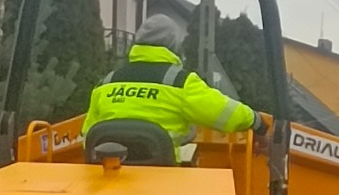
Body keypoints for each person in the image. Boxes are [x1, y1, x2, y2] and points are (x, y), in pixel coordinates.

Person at [82, 16, 267, 163]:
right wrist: (256, 121)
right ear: (174, 45)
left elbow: (88, 134)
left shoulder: (105, 83)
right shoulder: (180, 83)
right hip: (163, 183)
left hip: (109, 181)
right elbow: (224, 112)